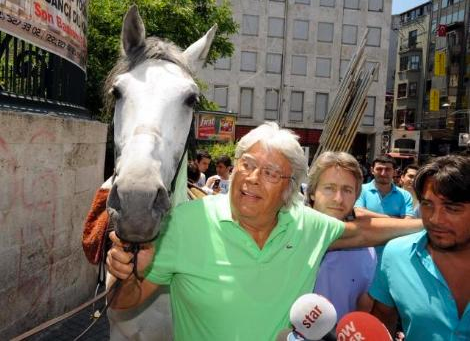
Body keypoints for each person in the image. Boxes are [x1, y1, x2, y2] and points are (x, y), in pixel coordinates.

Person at [106, 122, 423, 340]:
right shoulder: (184, 223)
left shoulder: (306, 226)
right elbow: (122, 303)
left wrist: (428, 223)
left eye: (271, 172)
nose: (253, 178)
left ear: (289, 189)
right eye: (247, 164)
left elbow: (362, 232)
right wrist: (128, 276)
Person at [369, 155, 470, 340]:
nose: (435, 219)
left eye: (453, 208)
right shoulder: (396, 256)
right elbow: (382, 319)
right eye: (427, 205)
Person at [307, 152, 378, 320]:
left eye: (347, 190)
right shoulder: (286, 235)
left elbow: (362, 308)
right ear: (312, 192)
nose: (338, 199)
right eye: (329, 188)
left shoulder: (368, 251)